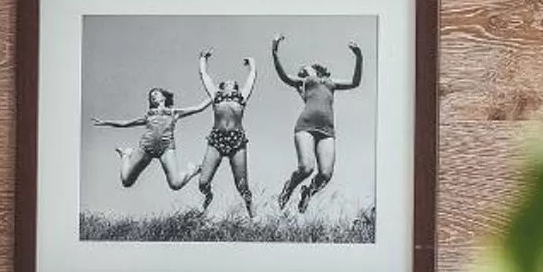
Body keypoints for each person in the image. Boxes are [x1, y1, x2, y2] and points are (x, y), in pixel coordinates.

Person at [273, 35, 364, 213]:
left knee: (325, 174)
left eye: (304, 68)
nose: (301, 71)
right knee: (306, 168)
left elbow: (355, 82)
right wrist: (274, 51)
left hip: (327, 131)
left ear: (316, 69)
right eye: (300, 72)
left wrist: (358, 57)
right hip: (306, 127)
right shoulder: (305, 82)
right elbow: (283, 76)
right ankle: (288, 189)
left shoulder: (331, 83)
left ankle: (307, 193)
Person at [95, 87, 206, 194]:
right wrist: (106, 122)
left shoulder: (174, 112)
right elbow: (126, 123)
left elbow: (199, 108)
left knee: (175, 184)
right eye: (151, 96)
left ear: (164, 98)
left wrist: (212, 97)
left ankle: (192, 170)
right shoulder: (148, 116)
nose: (152, 96)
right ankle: (125, 156)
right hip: (146, 147)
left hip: (166, 148)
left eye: (156, 93)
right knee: (126, 181)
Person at [192, 49, 257, 214]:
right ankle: (208, 196)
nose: (229, 82)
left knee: (242, 186)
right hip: (216, 139)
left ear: (236, 87)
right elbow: (204, 76)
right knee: (203, 183)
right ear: (222, 87)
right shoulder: (216, 95)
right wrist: (202, 58)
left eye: (233, 82)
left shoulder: (241, 96)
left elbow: (251, 78)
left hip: (237, 140)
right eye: (226, 82)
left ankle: (253, 213)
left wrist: (252, 64)